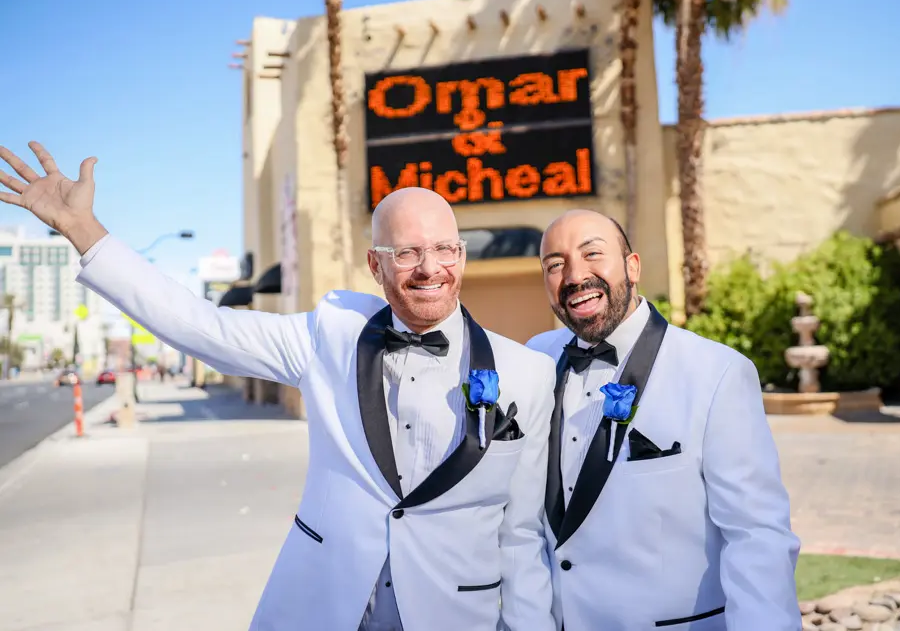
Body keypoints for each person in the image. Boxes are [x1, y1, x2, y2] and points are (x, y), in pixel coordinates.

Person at [0, 142, 557, 631]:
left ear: (460, 256)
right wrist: (83, 232)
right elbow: (202, 327)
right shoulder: (330, 335)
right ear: (375, 265)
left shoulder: (526, 374)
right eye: (405, 252)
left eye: (442, 250)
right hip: (325, 607)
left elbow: (522, 535)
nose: (427, 267)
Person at [526, 209, 800, 631]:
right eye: (555, 264)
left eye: (592, 254)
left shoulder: (717, 371)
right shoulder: (535, 360)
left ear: (632, 267)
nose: (575, 275)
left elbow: (756, 535)